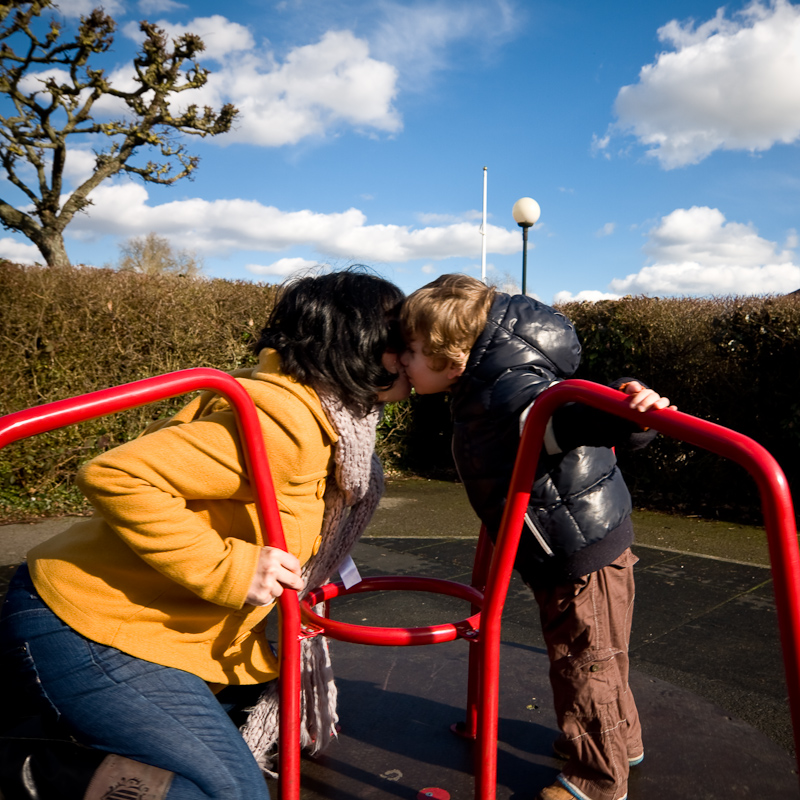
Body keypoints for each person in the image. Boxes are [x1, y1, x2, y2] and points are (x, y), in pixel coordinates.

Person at [0, 269, 410, 800]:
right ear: (355, 343)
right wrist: (230, 568)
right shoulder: (286, 423)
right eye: (396, 335)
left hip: (152, 629)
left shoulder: (331, 426)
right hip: (88, 624)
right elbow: (116, 475)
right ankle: (32, 766)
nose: (408, 349)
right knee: (230, 794)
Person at [399, 274, 674, 800]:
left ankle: (596, 778)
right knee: (603, 651)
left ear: (451, 355)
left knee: (582, 660)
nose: (404, 363)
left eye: (412, 351)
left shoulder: (506, 392)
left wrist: (628, 412)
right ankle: (623, 743)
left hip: (573, 548)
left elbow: (564, 415)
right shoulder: (487, 382)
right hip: (580, 535)